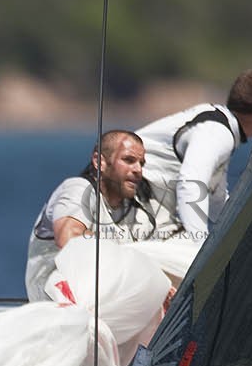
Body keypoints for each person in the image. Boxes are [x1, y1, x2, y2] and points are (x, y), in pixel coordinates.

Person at [24, 129, 180, 302]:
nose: (138, 170)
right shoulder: (78, 189)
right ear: (100, 162)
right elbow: (69, 240)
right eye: (128, 160)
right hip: (56, 303)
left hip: (106, 300)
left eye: (141, 163)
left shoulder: (136, 211)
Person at [136, 68, 252, 238]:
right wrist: (197, 245)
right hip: (125, 199)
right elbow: (191, 184)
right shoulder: (218, 133)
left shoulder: (220, 124)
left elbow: (216, 204)